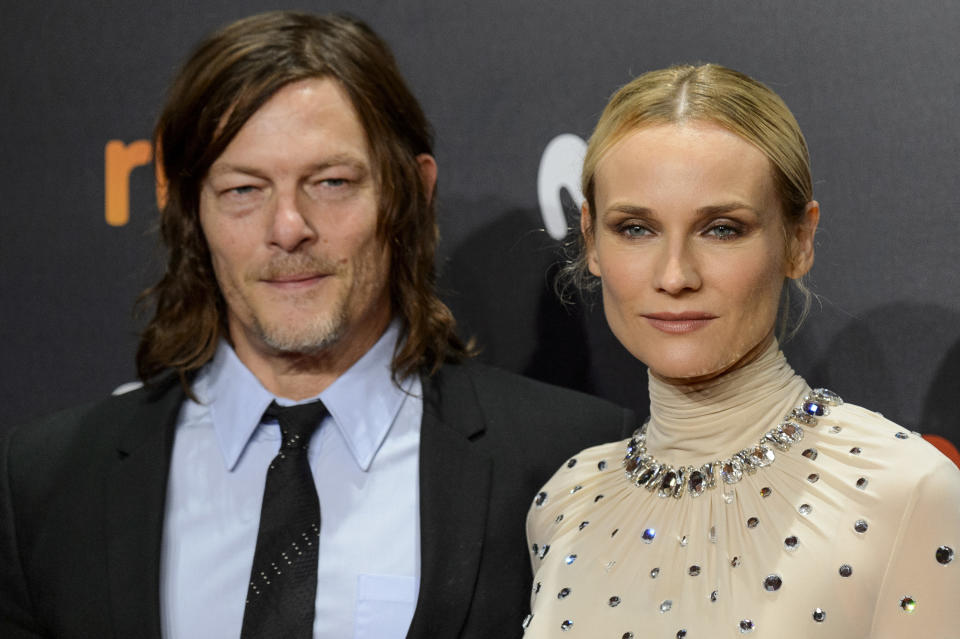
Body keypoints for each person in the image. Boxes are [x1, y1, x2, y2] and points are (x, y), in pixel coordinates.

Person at [0, 11, 632, 639]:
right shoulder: (48, 479)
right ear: (192, 210)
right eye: (244, 190)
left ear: (411, 191)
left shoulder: (572, 463)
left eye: (330, 182)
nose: (288, 228)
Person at [524, 64, 960, 638]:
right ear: (591, 240)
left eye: (722, 229)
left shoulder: (907, 493)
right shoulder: (565, 501)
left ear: (799, 240)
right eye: (635, 228)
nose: (675, 275)